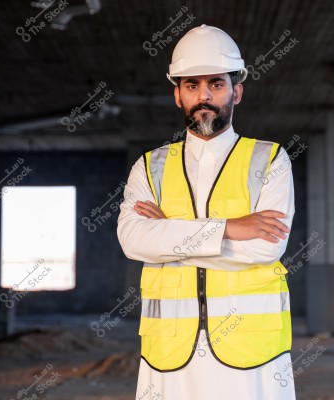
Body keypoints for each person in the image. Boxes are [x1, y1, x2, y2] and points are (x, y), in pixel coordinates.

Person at [117, 24, 296, 400]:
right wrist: (229, 228)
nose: (204, 96)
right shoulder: (149, 168)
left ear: (237, 91)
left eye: (216, 84)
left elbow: (266, 249)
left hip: (251, 354)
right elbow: (133, 241)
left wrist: (169, 235)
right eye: (191, 85)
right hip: (169, 355)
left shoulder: (270, 159)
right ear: (177, 95)